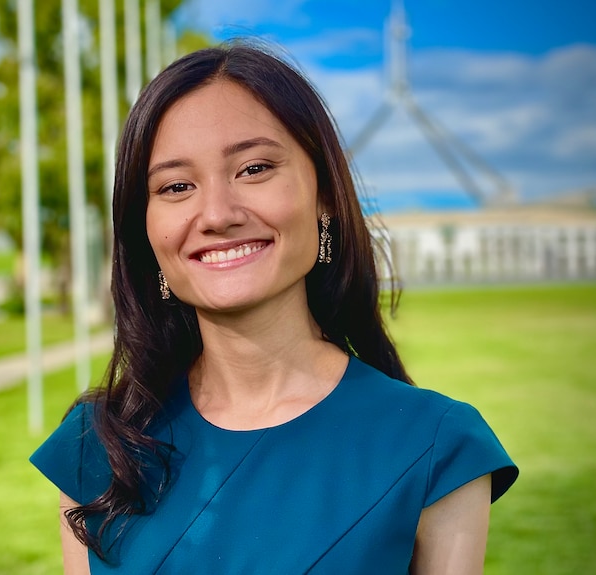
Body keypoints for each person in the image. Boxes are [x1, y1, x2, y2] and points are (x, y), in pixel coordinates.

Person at [31, 42, 518, 574]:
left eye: (254, 168)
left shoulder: (436, 448)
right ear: (145, 231)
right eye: (176, 186)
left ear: (325, 195)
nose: (216, 214)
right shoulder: (100, 447)